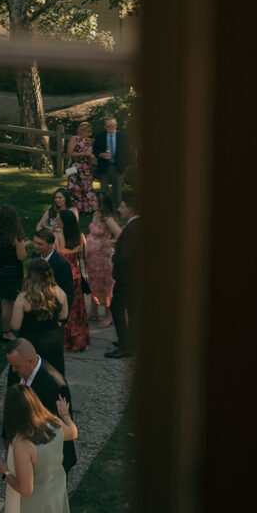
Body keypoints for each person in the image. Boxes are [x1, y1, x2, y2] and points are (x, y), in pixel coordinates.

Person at [0, 384, 76, 513]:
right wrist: (65, 414)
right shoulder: (54, 422)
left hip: (36, 505)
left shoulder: (23, 443)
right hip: (56, 491)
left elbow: (26, 490)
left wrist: (5, 473)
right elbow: (73, 433)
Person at [4, 337, 76, 474]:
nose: (13, 370)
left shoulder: (54, 384)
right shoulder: (15, 369)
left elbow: (56, 429)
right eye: (12, 365)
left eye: (16, 366)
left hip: (47, 458)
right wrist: (7, 437)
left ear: (30, 361)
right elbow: (10, 405)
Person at [8, 260, 68, 377]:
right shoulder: (60, 292)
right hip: (53, 342)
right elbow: (63, 315)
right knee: (54, 376)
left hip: (30, 344)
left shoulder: (23, 298)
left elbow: (15, 325)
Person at [105, 190, 140, 359]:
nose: (119, 209)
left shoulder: (131, 229)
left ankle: (125, 346)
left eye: (122, 206)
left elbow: (125, 256)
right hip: (136, 277)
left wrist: (112, 255)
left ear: (131, 209)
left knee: (117, 308)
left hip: (127, 277)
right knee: (132, 309)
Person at [0, 204, 26, 341]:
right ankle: (9, 330)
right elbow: (21, 257)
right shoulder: (16, 237)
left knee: (5, 302)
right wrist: (23, 246)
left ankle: (8, 328)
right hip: (12, 275)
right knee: (13, 302)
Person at [55, 210, 90, 353]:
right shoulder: (80, 237)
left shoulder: (56, 238)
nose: (56, 221)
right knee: (77, 310)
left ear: (64, 222)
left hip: (61, 278)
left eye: (58, 220)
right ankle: (78, 341)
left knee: (62, 309)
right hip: (75, 277)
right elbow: (83, 260)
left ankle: (63, 340)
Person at [86, 192, 121, 326]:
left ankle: (108, 315)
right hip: (92, 259)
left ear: (102, 204)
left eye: (95, 201)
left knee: (105, 287)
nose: (92, 203)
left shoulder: (108, 219)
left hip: (102, 260)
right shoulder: (96, 215)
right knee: (94, 283)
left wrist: (110, 243)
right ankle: (93, 311)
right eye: (92, 201)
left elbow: (120, 235)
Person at [32, 228, 74, 321]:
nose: (35, 246)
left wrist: (63, 318)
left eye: (40, 244)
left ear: (51, 245)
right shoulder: (35, 255)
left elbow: (68, 292)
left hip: (54, 309)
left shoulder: (62, 264)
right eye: (34, 242)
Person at [93, 116, 129, 210]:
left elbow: (127, 152)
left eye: (112, 125)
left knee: (117, 189)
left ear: (116, 125)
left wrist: (125, 165)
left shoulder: (122, 136)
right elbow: (95, 150)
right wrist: (101, 154)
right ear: (105, 126)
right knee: (104, 188)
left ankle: (116, 209)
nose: (110, 127)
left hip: (118, 166)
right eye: (108, 125)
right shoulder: (100, 136)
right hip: (105, 166)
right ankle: (104, 208)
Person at [66, 121, 97, 214]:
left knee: (87, 188)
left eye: (89, 132)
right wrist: (84, 154)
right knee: (75, 188)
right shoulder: (74, 139)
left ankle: (87, 209)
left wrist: (91, 158)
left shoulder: (88, 141)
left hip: (86, 168)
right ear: (81, 131)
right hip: (75, 167)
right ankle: (75, 209)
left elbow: (90, 153)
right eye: (85, 132)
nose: (87, 134)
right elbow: (70, 153)